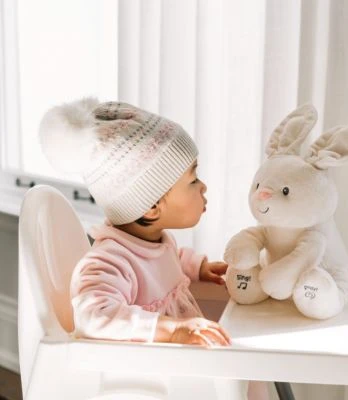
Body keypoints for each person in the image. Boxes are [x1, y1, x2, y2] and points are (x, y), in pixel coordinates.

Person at [39, 97, 230, 346]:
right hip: (147, 368)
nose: (203, 187)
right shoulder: (109, 262)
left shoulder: (155, 241)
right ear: (151, 207)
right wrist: (171, 329)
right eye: (193, 180)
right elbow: (93, 316)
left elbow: (164, 261)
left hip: (178, 360)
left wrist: (197, 268)